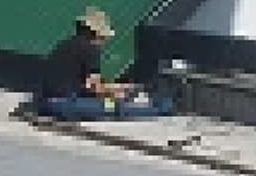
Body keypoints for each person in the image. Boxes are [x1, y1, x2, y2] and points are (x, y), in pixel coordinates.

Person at [30, 7, 171, 120]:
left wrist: (122, 87)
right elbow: (95, 88)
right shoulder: (90, 49)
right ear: (96, 34)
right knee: (116, 106)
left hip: (45, 101)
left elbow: (82, 83)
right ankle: (161, 108)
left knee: (114, 99)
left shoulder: (65, 43)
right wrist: (120, 92)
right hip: (65, 104)